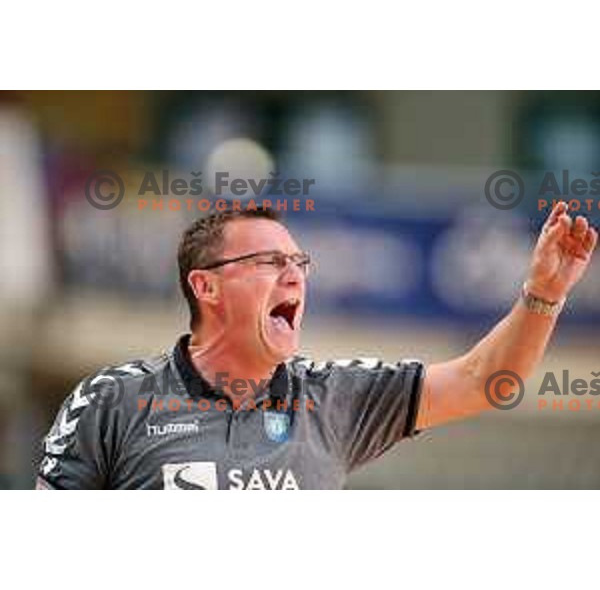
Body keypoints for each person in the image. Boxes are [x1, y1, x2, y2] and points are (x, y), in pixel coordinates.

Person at [36, 202, 597, 489]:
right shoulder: (113, 400)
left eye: (299, 263)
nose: (295, 275)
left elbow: (483, 381)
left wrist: (544, 293)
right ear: (205, 286)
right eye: (270, 262)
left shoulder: (331, 396)